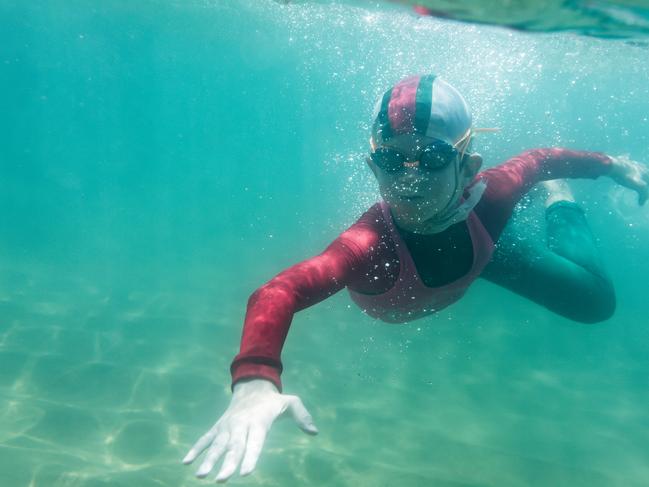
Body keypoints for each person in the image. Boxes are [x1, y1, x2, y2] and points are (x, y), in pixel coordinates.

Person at [182, 74, 648, 482]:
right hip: (472, 249)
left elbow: (541, 160)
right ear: (372, 166)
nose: (410, 177)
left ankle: (558, 203)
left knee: (595, 303)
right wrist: (256, 383)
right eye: (392, 161)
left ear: (468, 166)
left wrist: (613, 167)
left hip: (486, 247)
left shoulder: (490, 197)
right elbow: (279, 291)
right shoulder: (369, 245)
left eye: (430, 158)